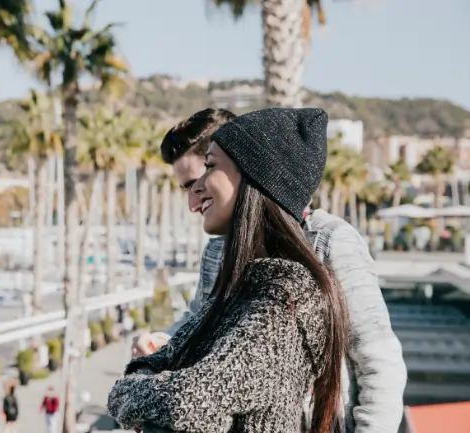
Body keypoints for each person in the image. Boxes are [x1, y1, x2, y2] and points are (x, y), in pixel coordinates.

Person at [132, 108, 407, 433]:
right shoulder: (219, 250)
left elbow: (379, 365)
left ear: (250, 173)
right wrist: (164, 343)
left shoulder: (329, 243)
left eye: (205, 173)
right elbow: (200, 323)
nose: (193, 201)